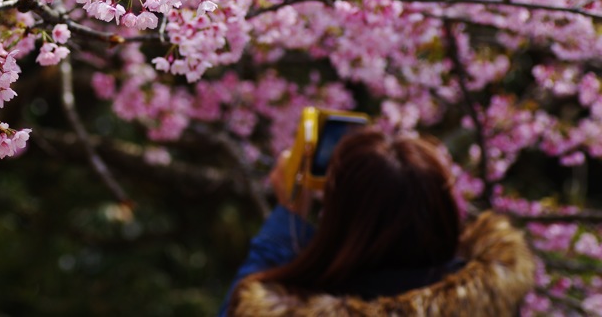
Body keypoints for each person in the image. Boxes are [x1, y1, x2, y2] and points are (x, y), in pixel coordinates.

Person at [220, 127, 535, 316]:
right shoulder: (492, 298)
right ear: (445, 211)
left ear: (337, 219)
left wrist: (288, 217)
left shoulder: (276, 306)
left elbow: (244, 303)